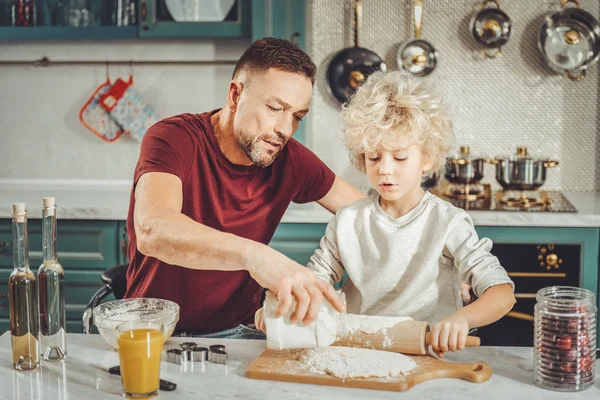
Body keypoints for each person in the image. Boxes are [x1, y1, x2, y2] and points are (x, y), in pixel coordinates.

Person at [256, 70, 515, 356]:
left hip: (428, 353)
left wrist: (462, 319)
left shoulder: (447, 222)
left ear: (427, 157)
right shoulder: (347, 221)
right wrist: (282, 308)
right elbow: (315, 286)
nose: (385, 169)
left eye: (400, 157)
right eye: (374, 157)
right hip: (357, 352)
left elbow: (502, 293)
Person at [124, 37, 364, 339]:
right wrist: (257, 257)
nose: (284, 129)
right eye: (275, 108)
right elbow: (153, 230)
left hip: (236, 333)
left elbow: (367, 215)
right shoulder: (173, 138)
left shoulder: (290, 159)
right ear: (235, 95)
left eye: (297, 117)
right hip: (152, 330)